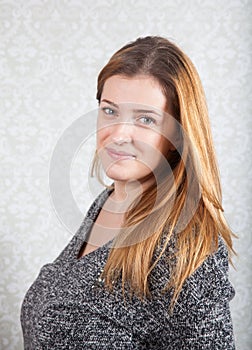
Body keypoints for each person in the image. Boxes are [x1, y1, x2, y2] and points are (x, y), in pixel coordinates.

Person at [20, 36, 236, 349]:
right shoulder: (107, 201)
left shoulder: (184, 239)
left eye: (145, 119)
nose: (119, 135)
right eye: (110, 111)